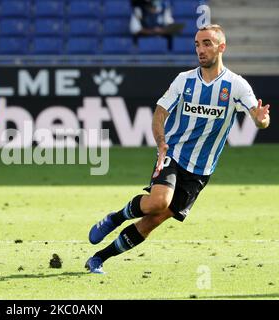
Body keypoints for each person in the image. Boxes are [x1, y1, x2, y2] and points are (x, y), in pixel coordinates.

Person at [85, 24, 271, 274]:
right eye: (197, 44)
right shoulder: (184, 81)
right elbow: (160, 113)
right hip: (173, 153)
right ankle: (115, 218)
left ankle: (98, 258)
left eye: (207, 43)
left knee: (153, 220)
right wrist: (161, 141)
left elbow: (259, 119)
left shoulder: (236, 86)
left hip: (201, 170)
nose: (200, 49)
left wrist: (260, 119)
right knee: (157, 202)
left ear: (221, 47)